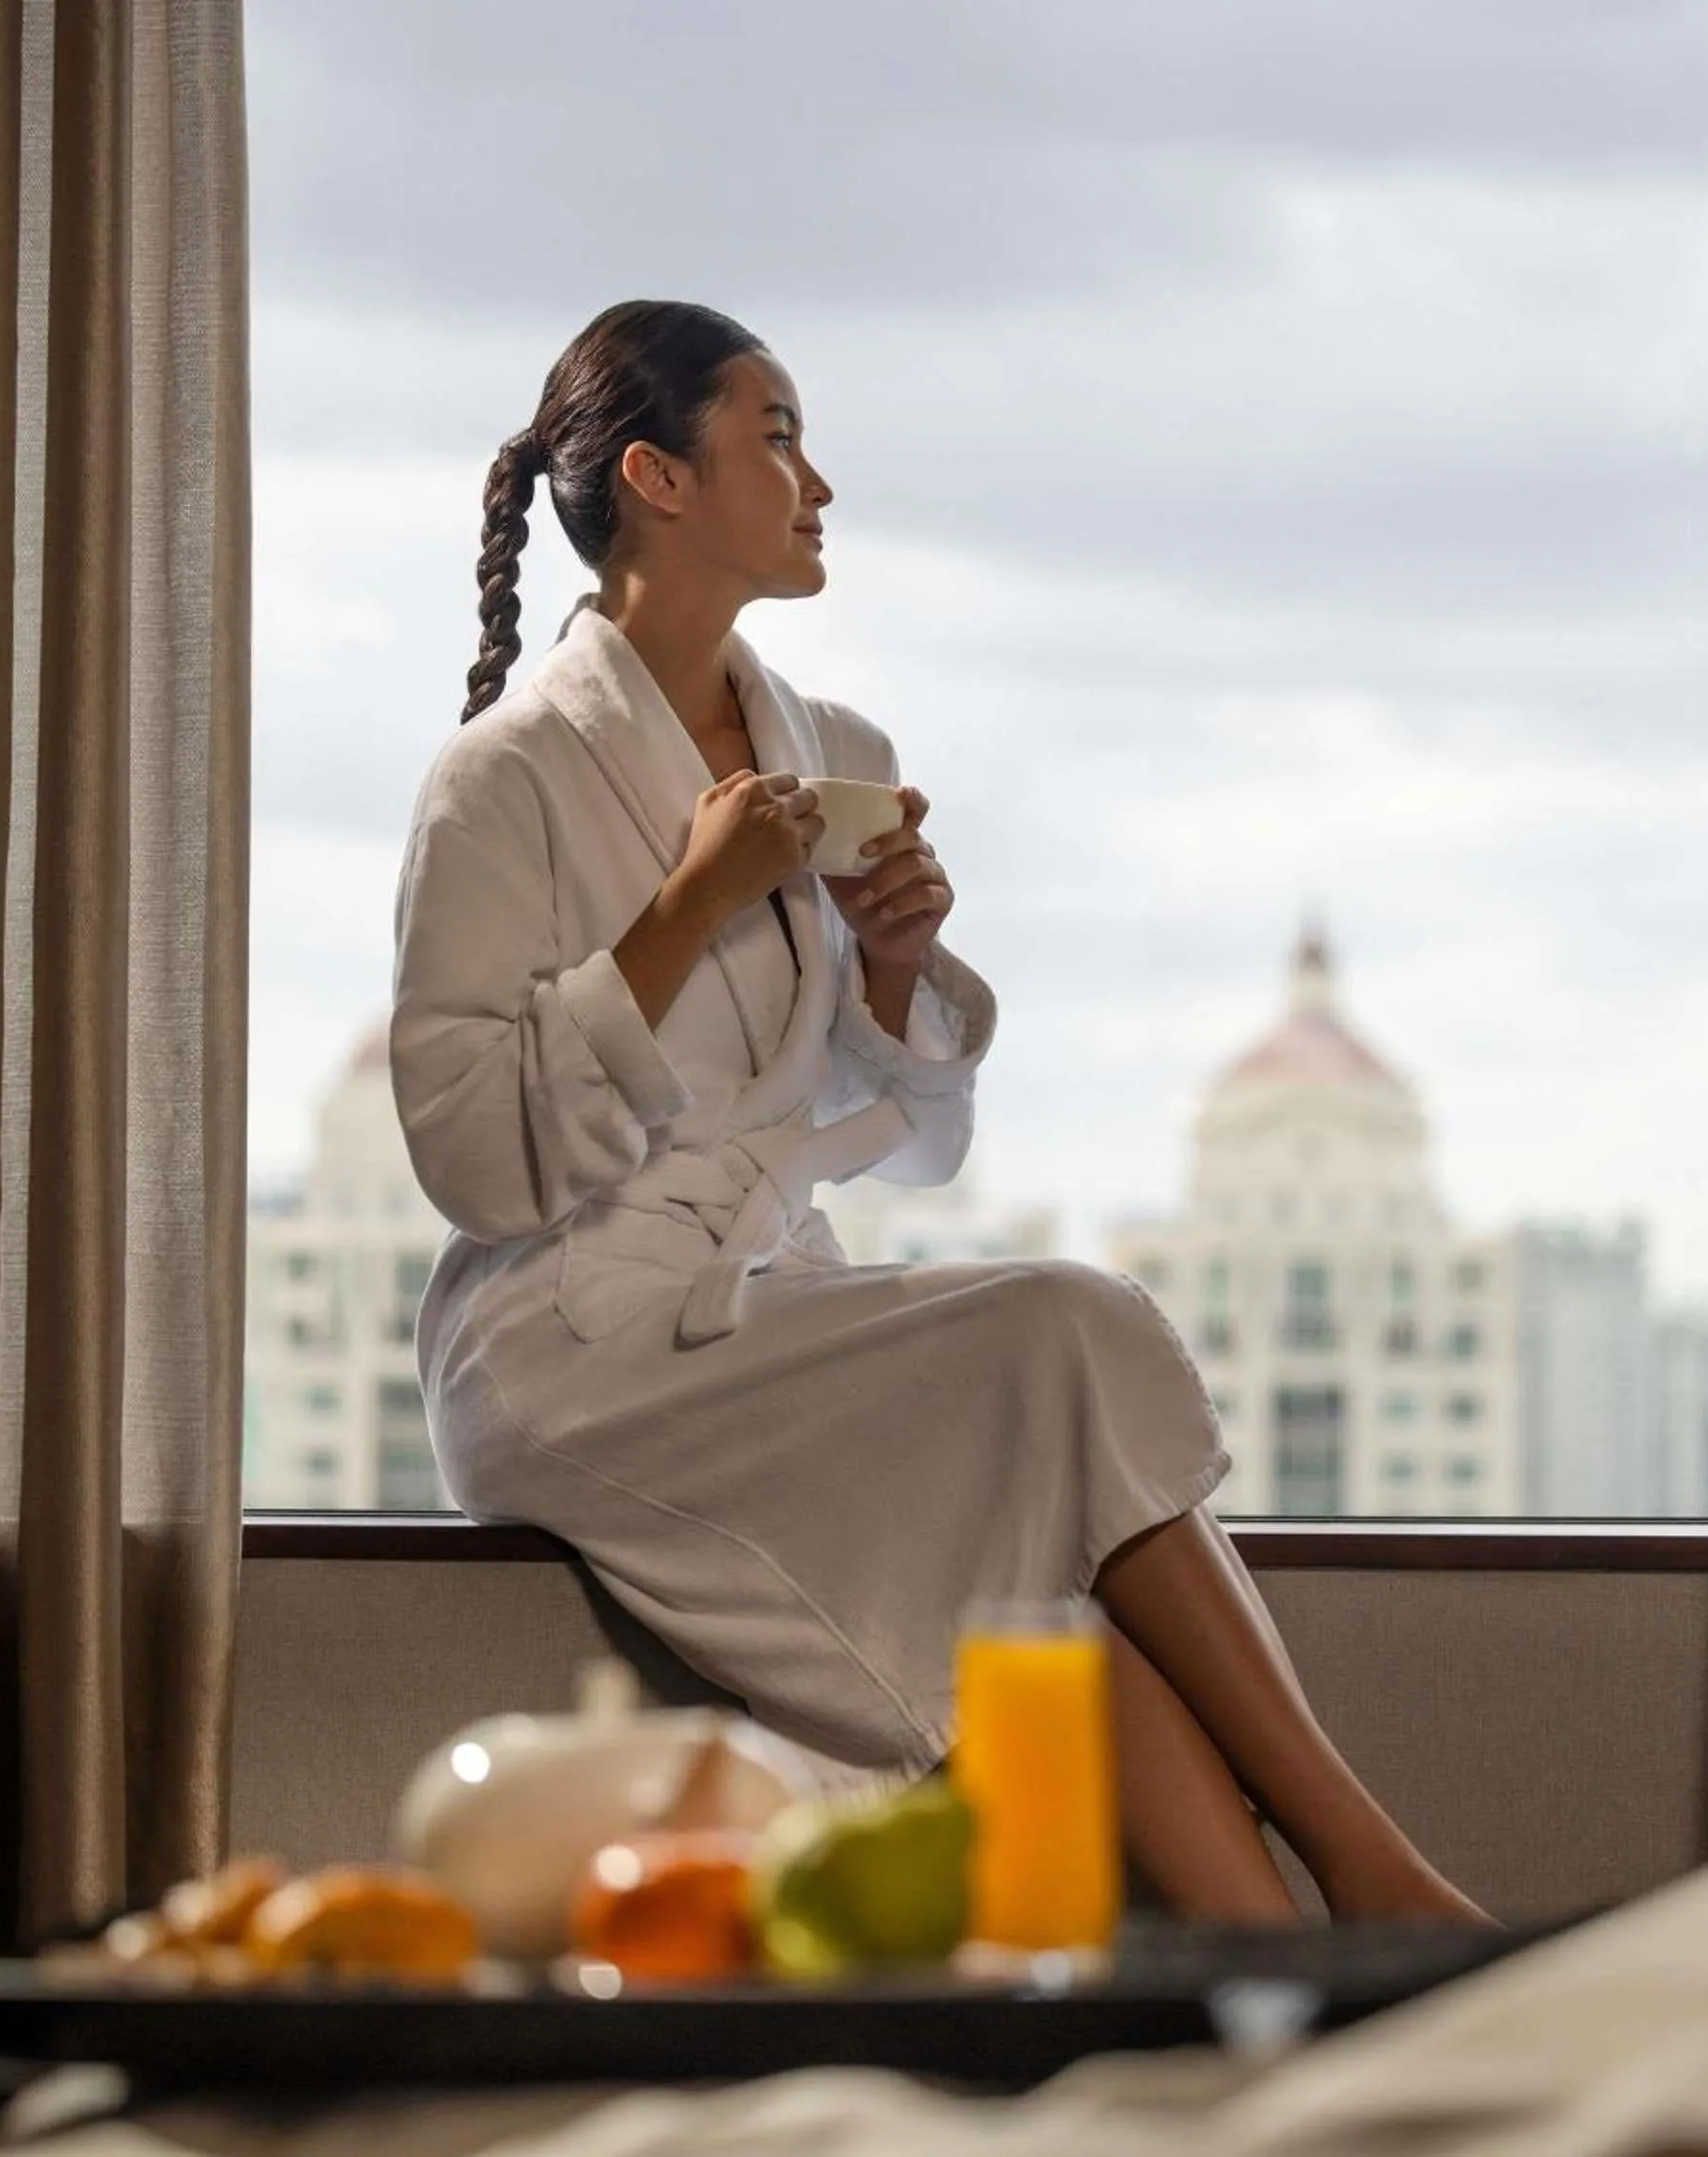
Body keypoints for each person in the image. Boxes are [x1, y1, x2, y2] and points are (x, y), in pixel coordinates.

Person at [391, 297, 1482, 1926]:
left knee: (1058, 1576)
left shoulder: (829, 754)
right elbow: (475, 1159)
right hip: (571, 1347)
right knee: (1063, 1325)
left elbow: (884, 1120)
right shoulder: (505, 779)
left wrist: (894, 965)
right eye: (777, 437)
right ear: (658, 477)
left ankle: (1286, 1964)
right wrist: (690, 902)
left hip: (765, 1302)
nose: (818, 481)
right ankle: (1374, 1874)